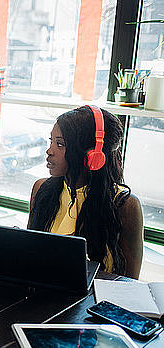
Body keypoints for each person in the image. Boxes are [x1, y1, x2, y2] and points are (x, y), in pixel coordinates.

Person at [28, 105, 143, 279]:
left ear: (93, 155)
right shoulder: (41, 189)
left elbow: (130, 282)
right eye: (51, 141)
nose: (49, 151)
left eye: (60, 144)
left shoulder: (125, 205)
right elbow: (27, 256)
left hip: (94, 301)